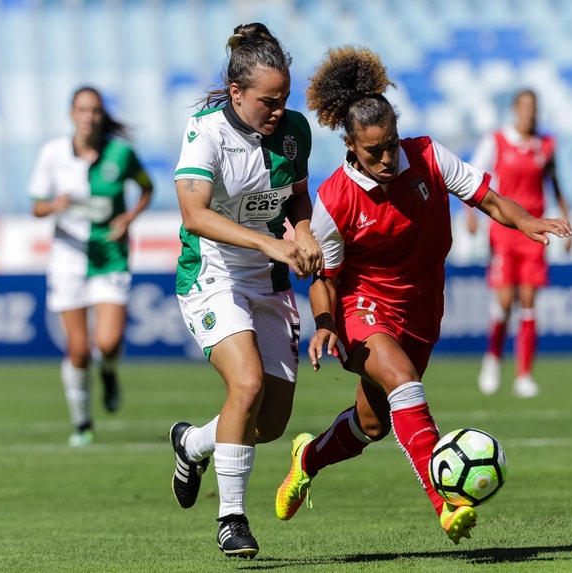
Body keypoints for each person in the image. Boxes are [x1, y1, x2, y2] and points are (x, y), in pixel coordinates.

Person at [274, 47, 572, 544]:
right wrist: (325, 324)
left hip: (421, 310)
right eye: (374, 151)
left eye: (391, 144)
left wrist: (526, 221)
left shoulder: (429, 156)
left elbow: (488, 198)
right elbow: (325, 276)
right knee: (403, 380)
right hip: (362, 307)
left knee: (372, 425)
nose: (387, 158)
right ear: (350, 144)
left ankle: (307, 458)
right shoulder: (334, 200)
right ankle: (446, 504)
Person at [167, 23, 321, 560]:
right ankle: (231, 519)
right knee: (247, 383)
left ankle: (193, 442)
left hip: (269, 280)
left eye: (284, 99)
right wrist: (270, 243)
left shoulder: (294, 131)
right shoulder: (205, 133)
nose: (278, 111)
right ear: (236, 92)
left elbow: (297, 197)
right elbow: (195, 214)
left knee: (270, 424)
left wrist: (303, 232)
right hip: (213, 275)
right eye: (267, 101)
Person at [29, 86, 154, 447]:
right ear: (72, 114)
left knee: (108, 342)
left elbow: (147, 187)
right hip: (67, 259)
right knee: (79, 351)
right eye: (83, 110)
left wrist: (129, 218)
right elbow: (36, 206)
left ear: (102, 116)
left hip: (111, 256)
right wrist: (55, 205)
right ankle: (82, 424)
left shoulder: (121, 154)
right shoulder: (53, 154)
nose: (89, 117)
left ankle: (110, 371)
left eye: (95, 110)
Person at [465, 88, 572, 398]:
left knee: (528, 300)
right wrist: (470, 214)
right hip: (505, 228)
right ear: (515, 109)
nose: (529, 112)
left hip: (535, 230)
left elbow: (555, 184)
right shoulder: (497, 140)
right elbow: (471, 178)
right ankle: (493, 358)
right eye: (524, 106)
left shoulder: (546, 145)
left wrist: (567, 220)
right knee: (504, 300)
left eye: (533, 107)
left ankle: (524, 374)